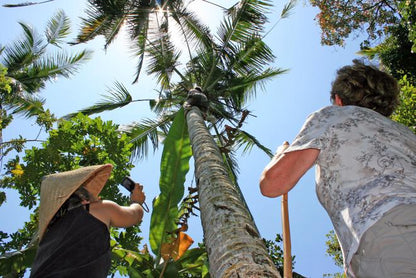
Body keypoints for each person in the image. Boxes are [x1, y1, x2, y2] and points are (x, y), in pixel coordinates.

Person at [259, 60, 416, 277]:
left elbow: (273, 184)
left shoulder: (334, 115)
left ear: (339, 101)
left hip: (391, 228)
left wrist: (278, 154)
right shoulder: (404, 133)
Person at [30, 164, 146, 278]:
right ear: (84, 200)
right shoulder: (97, 210)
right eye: (95, 197)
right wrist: (137, 201)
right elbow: (134, 215)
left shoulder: (48, 240)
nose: (99, 198)